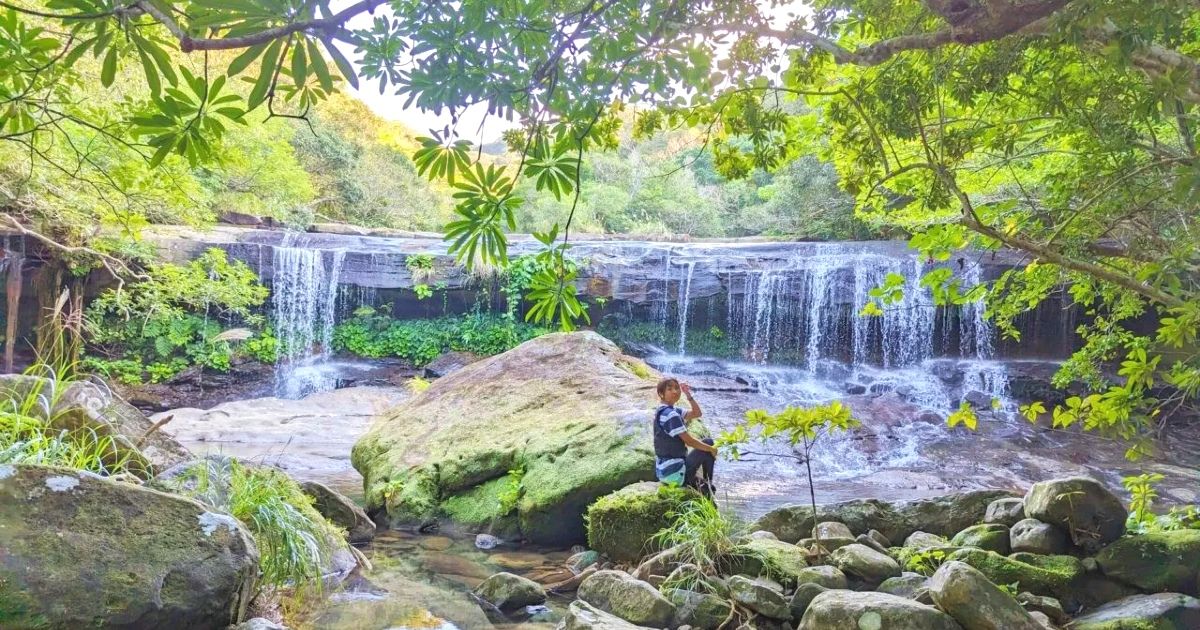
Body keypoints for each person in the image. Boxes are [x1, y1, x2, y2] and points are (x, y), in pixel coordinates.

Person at [653, 377, 717, 497]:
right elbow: (690, 441)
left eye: (677, 388)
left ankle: (706, 486)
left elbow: (697, 413)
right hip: (674, 471)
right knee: (709, 444)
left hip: (666, 471)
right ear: (661, 393)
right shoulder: (670, 414)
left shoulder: (667, 410)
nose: (675, 392)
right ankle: (707, 483)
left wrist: (688, 394)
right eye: (669, 389)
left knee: (708, 443)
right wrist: (711, 449)